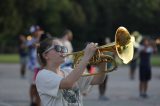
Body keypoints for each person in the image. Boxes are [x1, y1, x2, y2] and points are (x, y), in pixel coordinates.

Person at [36, 37, 107, 106]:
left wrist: (103, 61)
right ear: (45, 55)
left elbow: (98, 79)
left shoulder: (68, 71)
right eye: (58, 48)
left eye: (63, 48)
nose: (62, 51)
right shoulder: (42, 75)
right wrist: (86, 57)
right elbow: (67, 83)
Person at [26, 25, 43, 106]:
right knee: (33, 85)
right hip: (32, 67)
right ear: (32, 32)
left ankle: (37, 102)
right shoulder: (30, 39)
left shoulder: (41, 40)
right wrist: (39, 37)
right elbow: (33, 45)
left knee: (39, 86)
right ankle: (32, 101)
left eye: (38, 30)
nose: (38, 32)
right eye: (36, 31)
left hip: (39, 66)